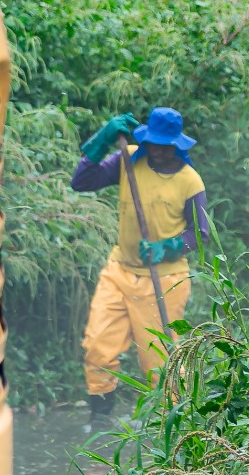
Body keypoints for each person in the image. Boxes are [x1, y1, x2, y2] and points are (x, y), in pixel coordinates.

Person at [70, 107, 209, 423]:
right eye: (154, 143)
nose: (158, 150)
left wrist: (165, 248)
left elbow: (199, 234)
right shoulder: (127, 160)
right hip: (119, 271)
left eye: (165, 144)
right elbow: (81, 182)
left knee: (160, 366)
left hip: (164, 281)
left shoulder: (190, 181)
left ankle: (170, 429)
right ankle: (100, 425)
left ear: (177, 144)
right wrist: (101, 139)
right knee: (97, 350)